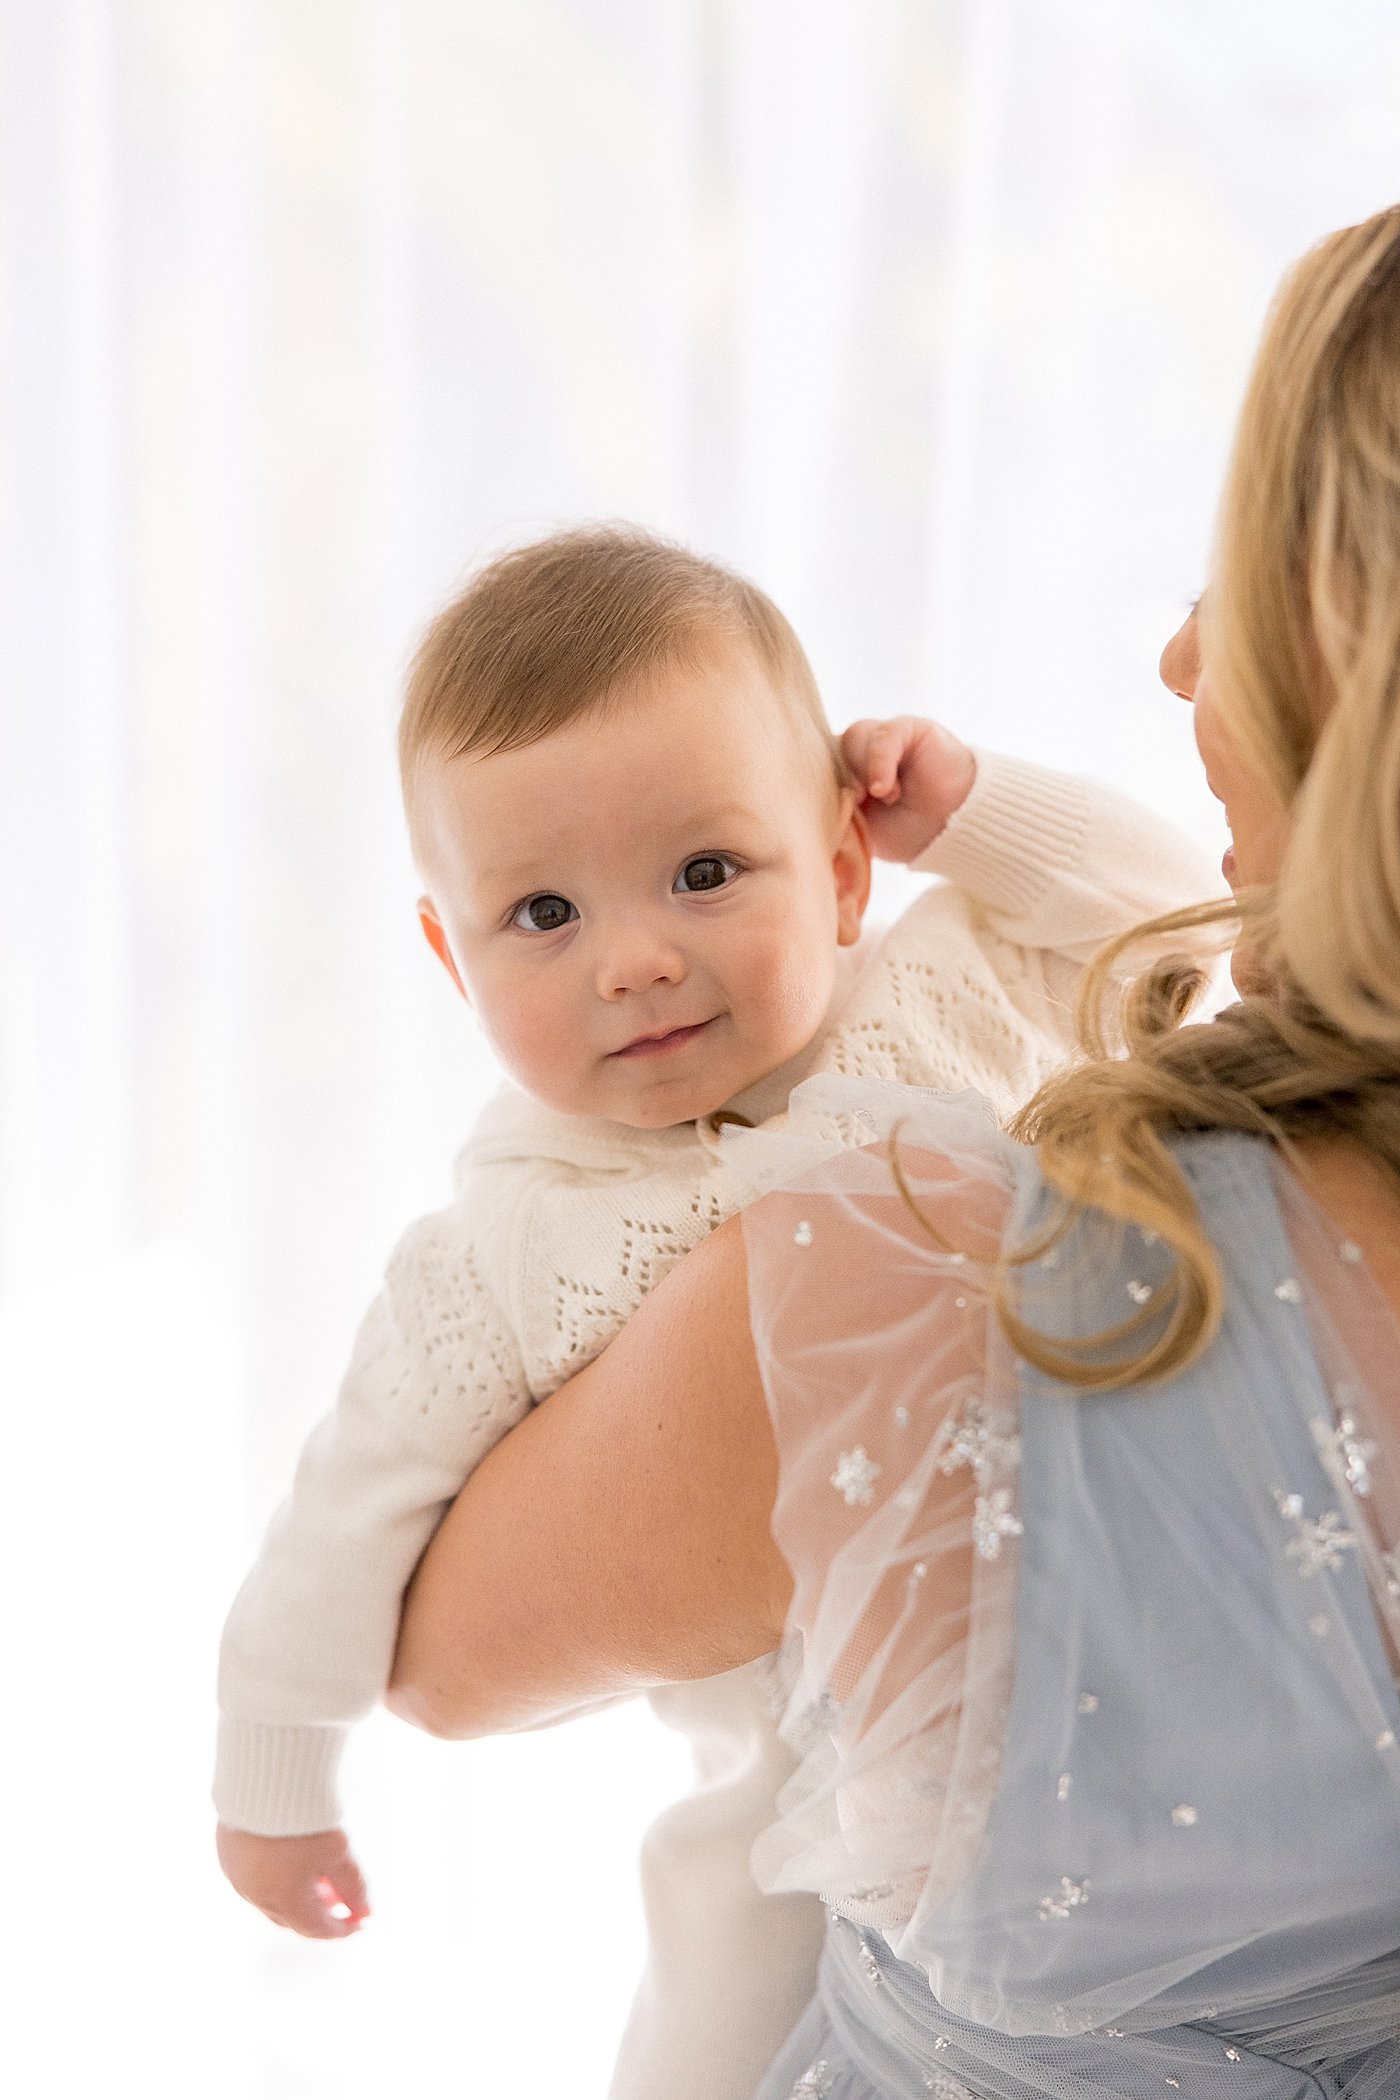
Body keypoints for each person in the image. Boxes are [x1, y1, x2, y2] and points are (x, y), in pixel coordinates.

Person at [387, 206, 1400, 2100]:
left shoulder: (909, 1267)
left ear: (1361, 660)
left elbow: (440, 1656)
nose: (1184, 658)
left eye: (1242, 580)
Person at [213, 525, 1216, 2100]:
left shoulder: (940, 989)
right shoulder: (499, 1247)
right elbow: (344, 1513)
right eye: (542, 914)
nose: (635, 961)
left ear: (834, 870)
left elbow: (1185, 932)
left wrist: (981, 814)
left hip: (1137, 1668)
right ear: (447, 955)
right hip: (793, 1792)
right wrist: (276, 1778)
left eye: (703, 873)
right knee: (718, 2026)